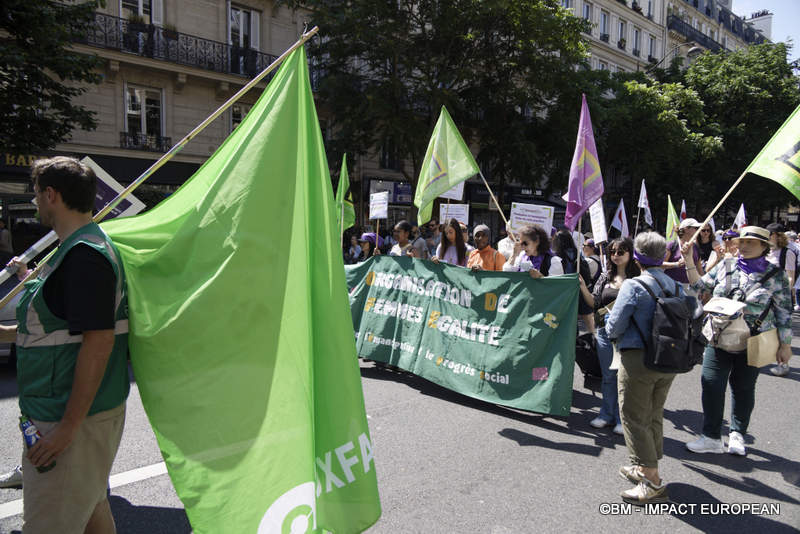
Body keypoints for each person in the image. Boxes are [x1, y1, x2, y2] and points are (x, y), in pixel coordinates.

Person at [0, 156, 129, 532]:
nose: (35, 201)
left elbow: (98, 342)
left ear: (52, 195)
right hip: (71, 414)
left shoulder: (84, 255)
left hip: (67, 418)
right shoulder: (76, 248)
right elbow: (52, 330)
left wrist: (68, 428)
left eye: (37, 193)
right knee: (91, 514)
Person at [684, 226, 793, 455]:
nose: (743, 246)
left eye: (750, 242)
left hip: (753, 340)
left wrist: (785, 345)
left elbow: (784, 312)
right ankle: (711, 437)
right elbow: (699, 286)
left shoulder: (777, 275)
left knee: (743, 388)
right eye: (742, 241)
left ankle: (737, 434)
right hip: (719, 336)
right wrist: (688, 260)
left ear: (764, 246)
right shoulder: (726, 265)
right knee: (711, 383)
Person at [605, 231, 679, 505]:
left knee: (634, 416)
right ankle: (646, 464)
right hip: (669, 357)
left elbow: (614, 326)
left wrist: (609, 325)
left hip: (638, 358)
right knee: (654, 412)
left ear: (637, 258)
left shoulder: (634, 285)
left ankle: (652, 480)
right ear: (663, 256)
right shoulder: (675, 285)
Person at [578, 237, 640, 435]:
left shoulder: (638, 277)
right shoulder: (605, 276)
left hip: (627, 333)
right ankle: (606, 414)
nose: (615, 255)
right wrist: (582, 286)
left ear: (630, 253)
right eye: (612, 252)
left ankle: (623, 419)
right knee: (608, 376)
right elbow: (594, 302)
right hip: (604, 332)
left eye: (621, 252)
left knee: (624, 378)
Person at [552, 229, 594, 331]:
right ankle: (593, 336)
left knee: (568, 318)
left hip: (566, 290)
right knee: (587, 317)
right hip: (580, 287)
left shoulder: (557, 256)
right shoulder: (577, 253)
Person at [663, 218, 704, 287]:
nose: (698, 230)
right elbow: (660, 264)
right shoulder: (672, 245)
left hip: (690, 287)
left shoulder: (696, 247)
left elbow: (699, 269)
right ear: (686, 229)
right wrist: (676, 264)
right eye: (696, 228)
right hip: (671, 286)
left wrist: (703, 285)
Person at [766, 222, 796, 312]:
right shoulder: (764, 251)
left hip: (779, 296)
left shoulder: (787, 253)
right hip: (765, 295)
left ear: (779, 236)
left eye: (770, 233)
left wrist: (783, 295)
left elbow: (790, 278)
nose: (767, 236)